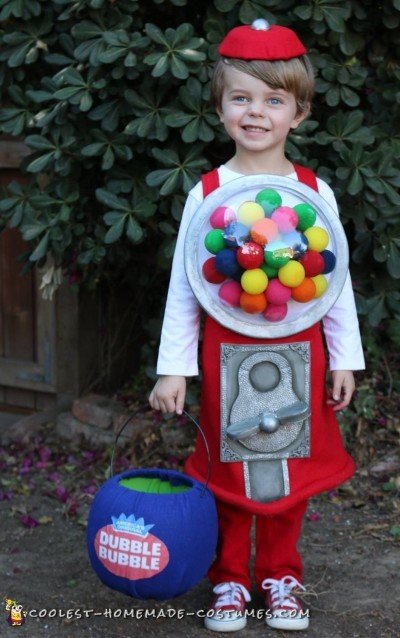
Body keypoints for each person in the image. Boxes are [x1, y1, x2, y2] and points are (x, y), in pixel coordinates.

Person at [149, 19, 365, 632]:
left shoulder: (312, 191)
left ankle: (281, 574)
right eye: (241, 97)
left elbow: (335, 278)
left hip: (300, 347)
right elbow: (186, 287)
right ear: (219, 108)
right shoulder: (208, 192)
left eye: (273, 100)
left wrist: (346, 356)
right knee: (231, 468)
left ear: (298, 113)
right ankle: (229, 581)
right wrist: (173, 369)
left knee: (288, 468)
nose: (256, 112)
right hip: (224, 352)